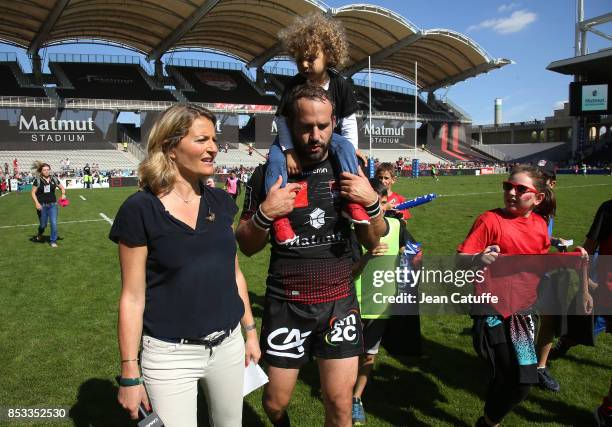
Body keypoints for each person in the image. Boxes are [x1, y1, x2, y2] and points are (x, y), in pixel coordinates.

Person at [236, 84, 385, 427]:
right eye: (305, 126)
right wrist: (265, 214)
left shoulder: (349, 168)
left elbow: (371, 237)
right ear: (290, 124)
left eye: (323, 125)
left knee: (340, 405)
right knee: (275, 403)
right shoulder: (267, 174)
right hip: (287, 304)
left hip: (339, 304)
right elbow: (246, 245)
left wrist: (372, 203)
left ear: (334, 121)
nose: (315, 135)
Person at [110, 104, 260, 427]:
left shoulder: (221, 203)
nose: (213, 148)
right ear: (171, 147)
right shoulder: (139, 209)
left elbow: (234, 274)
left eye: (214, 140)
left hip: (229, 347)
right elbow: (132, 298)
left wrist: (249, 331)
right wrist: (129, 370)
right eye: (202, 139)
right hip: (169, 357)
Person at [457, 165, 588, 427]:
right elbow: (460, 261)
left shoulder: (540, 225)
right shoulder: (489, 220)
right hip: (492, 311)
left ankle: (487, 422)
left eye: (520, 189)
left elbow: (537, 262)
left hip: (521, 315)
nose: (511, 192)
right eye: (508, 186)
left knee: (524, 383)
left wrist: (571, 259)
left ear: (538, 198)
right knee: (509, 374)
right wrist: (477, 258)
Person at [265, 12, 367, 245]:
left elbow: (349, 119)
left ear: (329, 54)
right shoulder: (294, 84)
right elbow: (282, 120)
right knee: (274, 159)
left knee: (345, 149)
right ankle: (279, 218)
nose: (304, 64)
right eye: (300, 59)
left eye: (311, 58)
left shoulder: (340, 83)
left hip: (331, 138)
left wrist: (353, 148)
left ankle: (352, 203)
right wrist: (289, 151)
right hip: (291, 138)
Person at [351, 178, 416, 426]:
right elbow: (348, 273)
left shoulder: (398, 225)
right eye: (374, 205)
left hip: (382, 304)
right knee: (349, 354)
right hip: (352, 303)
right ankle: (340, 390)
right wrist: (368, 256)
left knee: (369, 355)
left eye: (384, 203)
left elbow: (411, 252)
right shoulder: (353, 230)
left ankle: (356, 398)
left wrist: (409, 262)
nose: (380, 209)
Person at [31, 162, 66, 248]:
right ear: (41, 171)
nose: (46, 171)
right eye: (44, 170)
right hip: (42, 206)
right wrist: (36, 203)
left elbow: (62, 188)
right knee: (43, 225)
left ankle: (53, 241)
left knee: (54, 223)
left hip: (53, 205)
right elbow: (32, 193)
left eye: (47, 170)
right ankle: (39, 234)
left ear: (49, 170)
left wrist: (63, 194)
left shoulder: (54, 179)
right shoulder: (38, 180)